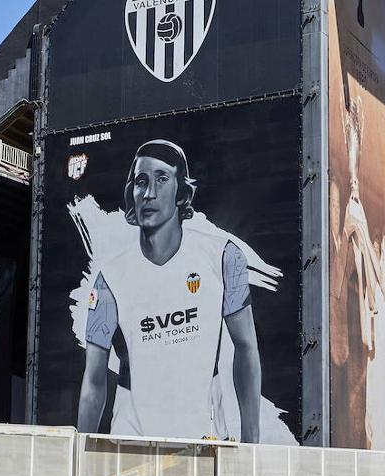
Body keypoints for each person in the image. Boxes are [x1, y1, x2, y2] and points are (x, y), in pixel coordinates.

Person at [77, 139, 262, 441]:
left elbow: (247, 347)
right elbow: (94, 381)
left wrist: (252, 444)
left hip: (204, 443)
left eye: (162, 179)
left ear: (181, 192)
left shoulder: (223, 257)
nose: (149, 193)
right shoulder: (109, 278)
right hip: (132, 447)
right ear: (131, 193)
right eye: (141, 182)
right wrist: (80, 460)